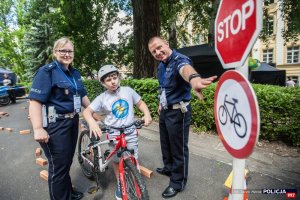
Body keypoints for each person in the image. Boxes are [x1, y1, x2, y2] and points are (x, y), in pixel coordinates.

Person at [148, 36, 217, 198]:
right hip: (165, 111)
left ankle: (177, 182)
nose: (158, 52)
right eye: (154, 51)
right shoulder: (161, 66)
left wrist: (194, 79)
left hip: (179, 112)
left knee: (178, 148)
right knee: (165, 143)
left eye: (159, 47)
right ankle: (169, 168)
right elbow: (163, 87)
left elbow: (185, 69)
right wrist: (160, 104)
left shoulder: (180, 59)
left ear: (166, 43)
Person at [28, 37, 91, 200]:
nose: (67, 54)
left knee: (66, 162)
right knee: (58, 166)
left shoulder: (75, 73)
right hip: (55, 125)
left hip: (72, 122)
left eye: (70, 51)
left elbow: (82, 96)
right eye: (63, 50)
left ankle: (67, 192)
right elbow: (35, 102)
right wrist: (37, 128)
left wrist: (93, 114)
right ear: (55, 52)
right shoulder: (47, 72)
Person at [83, 64, 152, 200]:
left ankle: (133, 180)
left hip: (130, 132)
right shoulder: (102, 98)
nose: (113, 81)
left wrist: (147, 114)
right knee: (116, 159)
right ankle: (121, 184)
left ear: (118, 77)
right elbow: (87, 111)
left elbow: (141, 104)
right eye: (108, 80)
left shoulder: (128, 91)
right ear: (103, 83)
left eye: (114, 77)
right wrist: (92, 123)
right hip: (114, 134)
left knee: (133, 158)